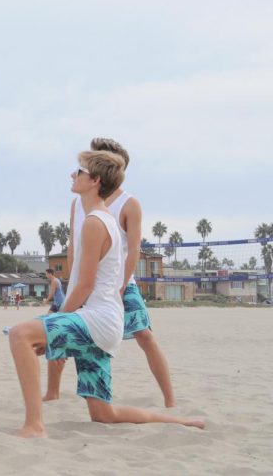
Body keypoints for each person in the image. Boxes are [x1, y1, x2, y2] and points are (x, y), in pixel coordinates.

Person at [7, 151, 203, 438]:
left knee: (20, 334)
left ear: (95, 181)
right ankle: (181, 422)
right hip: (104, 323)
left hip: (98, 319)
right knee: (103, 414)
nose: (73, 175)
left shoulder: (95, 223)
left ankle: (34, 425)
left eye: (80, 172)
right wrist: (53, 332)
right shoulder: (98, 217)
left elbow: (85, 286)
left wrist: (55, 324)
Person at [44, 138, 176, 407]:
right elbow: (74, 246)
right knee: (58, 329)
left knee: (145, 336)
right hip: (84, 281)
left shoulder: (129, 203)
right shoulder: (79, 201)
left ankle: (170, 399)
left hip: (119, 282)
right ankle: (52, 391)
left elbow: (135, 251)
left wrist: (120, 286)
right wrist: (73, 283)